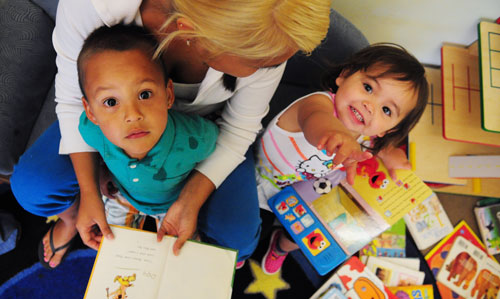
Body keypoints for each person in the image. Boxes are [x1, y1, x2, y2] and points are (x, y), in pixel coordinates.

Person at [10, 0, 332, 269]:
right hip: (109, 124)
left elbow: (239, 128)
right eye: (262, 62)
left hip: (206, 131)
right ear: (188, 30)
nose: (274, 67)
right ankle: (69, 219)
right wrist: (89, 190)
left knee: (238, 239)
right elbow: (70, 99)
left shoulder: (268, 30)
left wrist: (191, 198)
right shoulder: (95, 6)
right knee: (32, 187)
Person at [255, 43, 429, 274]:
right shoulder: (317, 104)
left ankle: (280, 246)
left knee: (303, 234)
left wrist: (392, 155)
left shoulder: (367, 134)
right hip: (256, 178)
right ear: (344, 76)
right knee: (245, 232)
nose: (370, 106)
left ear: (386, 131)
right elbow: (317, 122)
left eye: (386, 110)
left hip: (295, 192)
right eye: (368, 87)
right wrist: (337, 136)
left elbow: (379, 147)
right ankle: (241, 250)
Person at [79, 24, 219, 241]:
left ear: (168, 95)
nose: (132, 115)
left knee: (182, 255)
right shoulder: (91, 131)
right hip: (121, 196)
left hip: (176, 205)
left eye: (144, 94)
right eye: (111, 101)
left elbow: (219, 155)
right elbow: (93, 153)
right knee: (112, 250)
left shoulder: (197, 138)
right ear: (90, 112)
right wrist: (100, 172)